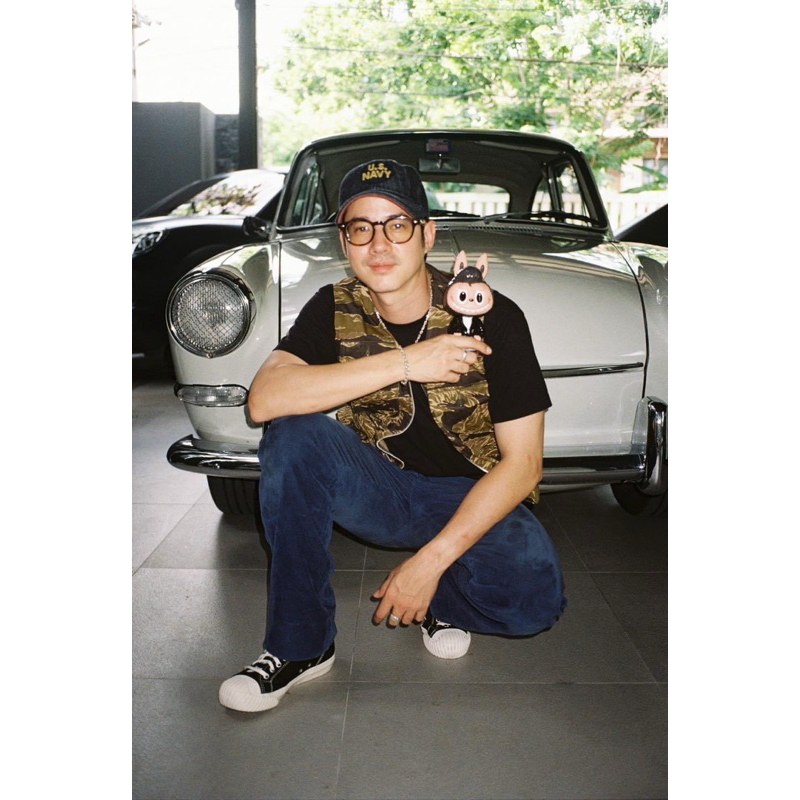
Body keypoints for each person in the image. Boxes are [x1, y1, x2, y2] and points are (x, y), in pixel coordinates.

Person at [218, 159, 566, 713]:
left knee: (533, 602)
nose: (379, 244)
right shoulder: (335, 307)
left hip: (469, 496)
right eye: (361, 228)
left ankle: (442, 597)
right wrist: (407, 362)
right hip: (379, 488)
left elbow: (523, 465)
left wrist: (428, 564)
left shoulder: (491, 315)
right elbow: (264, 400)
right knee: (294, 434)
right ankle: (300, 645)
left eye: (397, 225)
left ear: (427, 234)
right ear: (345, 242)